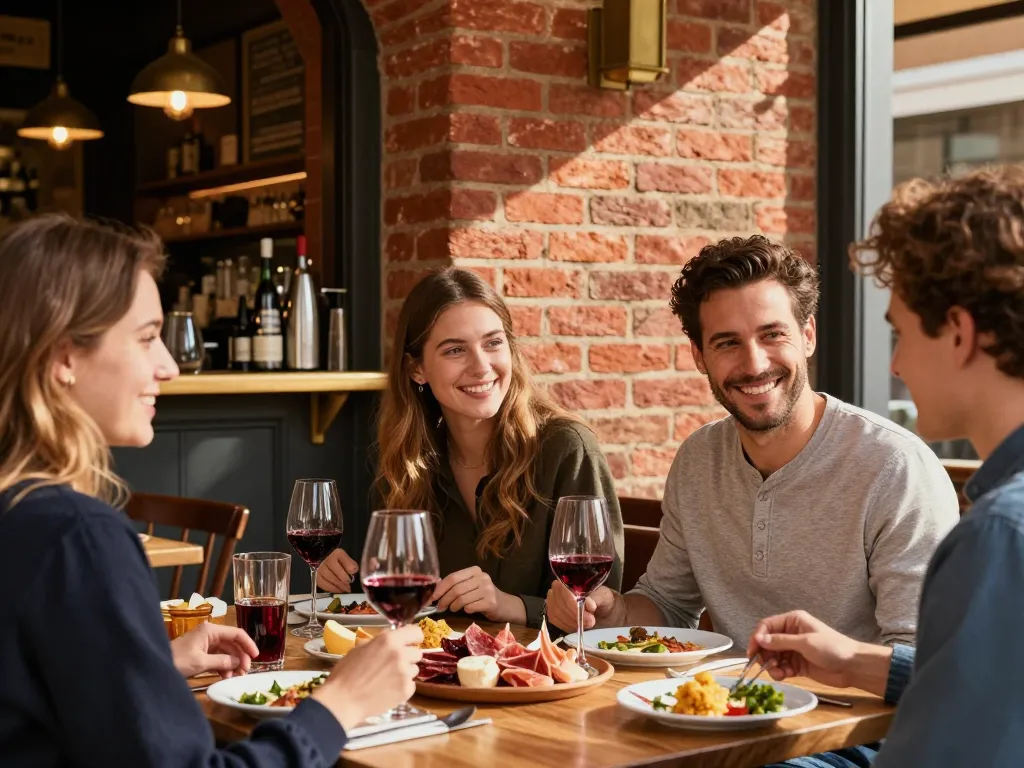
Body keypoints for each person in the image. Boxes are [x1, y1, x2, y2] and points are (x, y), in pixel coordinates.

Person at [0, 214, 423, 767]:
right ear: (63, 356)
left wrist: (148, 666)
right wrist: (339, 704)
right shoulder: (77, 537)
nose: (170, 366)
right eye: (148, 337)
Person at [546, 234, 959, 651]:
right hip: (723, 708)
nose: (754, 364)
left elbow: (922, 654)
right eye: (727, 343)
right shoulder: (698, 459)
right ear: (699, 356)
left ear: (808, 335)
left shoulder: (896, 467)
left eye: (772, 335)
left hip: (852, 715)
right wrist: (610, 611)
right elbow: (667, 604)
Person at [749, 166, 1024, 767]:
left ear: (959, 333)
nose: (896, 364)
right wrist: (852, 660)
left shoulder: (1000, 536)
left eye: (900, 333)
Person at [319, 267, 623, 628]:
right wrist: (340, 579)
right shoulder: (408, 464)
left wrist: (508, 605)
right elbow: (398, 603)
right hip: (435, 675)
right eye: (455, 350)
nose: (481, 367)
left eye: (493, 343)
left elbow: (598, 614)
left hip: (547, 678)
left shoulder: (567, 449)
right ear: (417, 369)